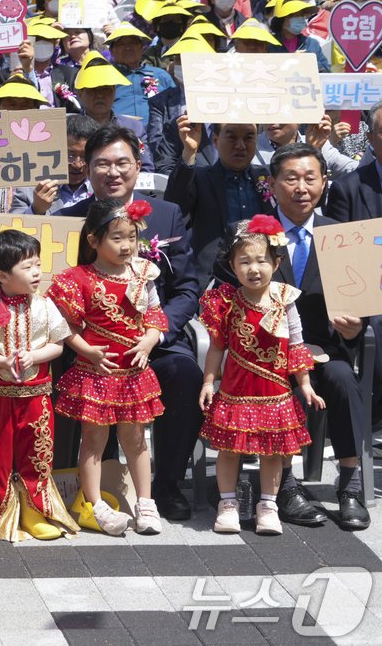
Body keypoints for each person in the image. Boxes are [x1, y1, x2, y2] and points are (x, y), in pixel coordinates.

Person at [266, 143, 371, 531]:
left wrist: (357, 324)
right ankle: (287, 486)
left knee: (344, 380)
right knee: (279, 389)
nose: (301, 187)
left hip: (325, 350)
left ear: (324, 183)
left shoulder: (341, 236)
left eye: (311, 178)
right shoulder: (255, 233)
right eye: (291, 178)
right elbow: (228, 290)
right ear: (273, 184)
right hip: (269, 354)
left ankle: (349, 485)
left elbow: (364, 303)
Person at [49, 197, 167, 536]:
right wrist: (87, 350)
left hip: (134, 374)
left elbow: (155, 315)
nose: (127, 245)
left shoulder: (144, 273)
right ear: (93, 241)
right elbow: (63, 324)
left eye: (132, 237)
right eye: (117, 237)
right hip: (95, 373)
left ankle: (146, 502)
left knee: (136, 439)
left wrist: (149, 340)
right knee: (93, 441)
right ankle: (94, 505)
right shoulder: (77, 279)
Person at [198, 216, 322, 537]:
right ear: (233, 265)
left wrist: (305, 384)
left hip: (275, 394)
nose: (254, 269)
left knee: (272, 453)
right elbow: (216, 348)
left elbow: (296, 345)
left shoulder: (285, 299)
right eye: (245, 262)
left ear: (276, 262)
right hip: (234, 394)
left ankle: (268, 505)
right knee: (228, 451)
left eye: (262, 261)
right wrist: (208, 381)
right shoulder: (225, 302)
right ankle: (228, 504)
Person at [0, 229, 79, 542]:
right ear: (2, 275)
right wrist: (2, 361)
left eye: (38, 264)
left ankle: (35, 511)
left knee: (37, 454)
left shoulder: (45, 305)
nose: (37, 272)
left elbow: (58, 345)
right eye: (27, 267)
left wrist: (35, 355)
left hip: (37, 396)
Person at [166, 120, 268, 286]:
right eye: (232, 137)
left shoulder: (269, 177)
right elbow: (175, 205)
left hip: (261, 278)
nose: (241, 145)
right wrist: (189, 152)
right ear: (215, 140)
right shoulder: (200, 177)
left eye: (249, 137)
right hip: (214, 280)